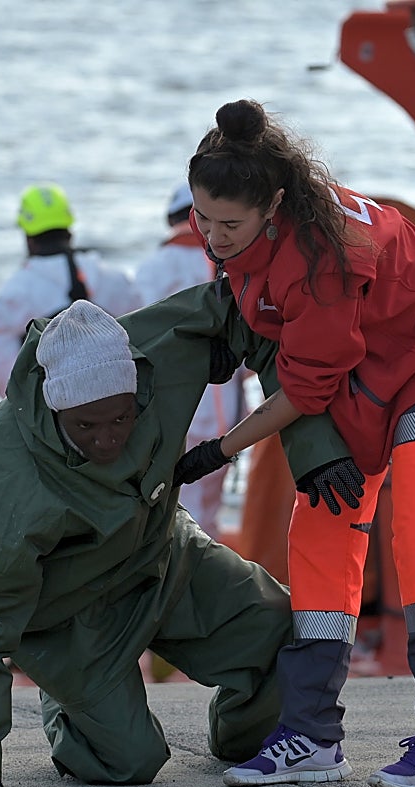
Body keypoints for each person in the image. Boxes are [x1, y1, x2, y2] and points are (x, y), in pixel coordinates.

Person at [0, 290, 361, 787]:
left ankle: (242, 739)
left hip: (162, 551)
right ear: (54, 406)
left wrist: (315, 452)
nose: (107, 439)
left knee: (287, 634)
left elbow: (266, 316)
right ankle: (65, 706)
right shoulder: (3, 472)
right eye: (85, 426)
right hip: (70, 614)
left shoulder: (167, 351)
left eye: (121, 419)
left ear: (140, 385)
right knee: (128, 763)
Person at [174, 99, 415, 787]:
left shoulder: (322, 260)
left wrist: (217, 451)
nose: (214, 238)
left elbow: (303, 391)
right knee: (319, 535)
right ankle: (312, 735)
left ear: (273, 206)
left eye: (229, 226)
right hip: (362, 377)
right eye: (203, 218)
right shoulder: (241, 224)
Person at [133, 182, 246, 539]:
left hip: (171, 407)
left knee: (176, 510)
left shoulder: (153, 269)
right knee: (208, 510)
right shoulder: (237, 264)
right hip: (229, 413)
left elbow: (137, 343)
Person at [0, 182, 141, 397]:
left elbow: (10, 386)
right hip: (120, 400)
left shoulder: (10, 299)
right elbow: (141, 337)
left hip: (54, 408)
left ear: (28, 238)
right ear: (69, 232)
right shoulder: (115, 279)